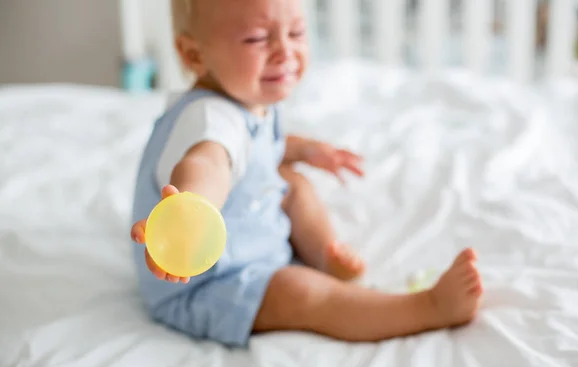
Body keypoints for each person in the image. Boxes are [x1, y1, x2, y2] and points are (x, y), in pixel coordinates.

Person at [130, 0, 483, 347]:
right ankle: (426, 307)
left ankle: (326, 254)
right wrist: (191, 208)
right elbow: (207, 164)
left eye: (296, 32)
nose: (285, 50)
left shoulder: (246, 99)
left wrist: (306, 150)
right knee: (299, 293)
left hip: (247, 228)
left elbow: (257, 147)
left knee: (293, 183)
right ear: (194, 56)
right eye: (256, 39)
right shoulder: (209, 119)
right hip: (206, 283)